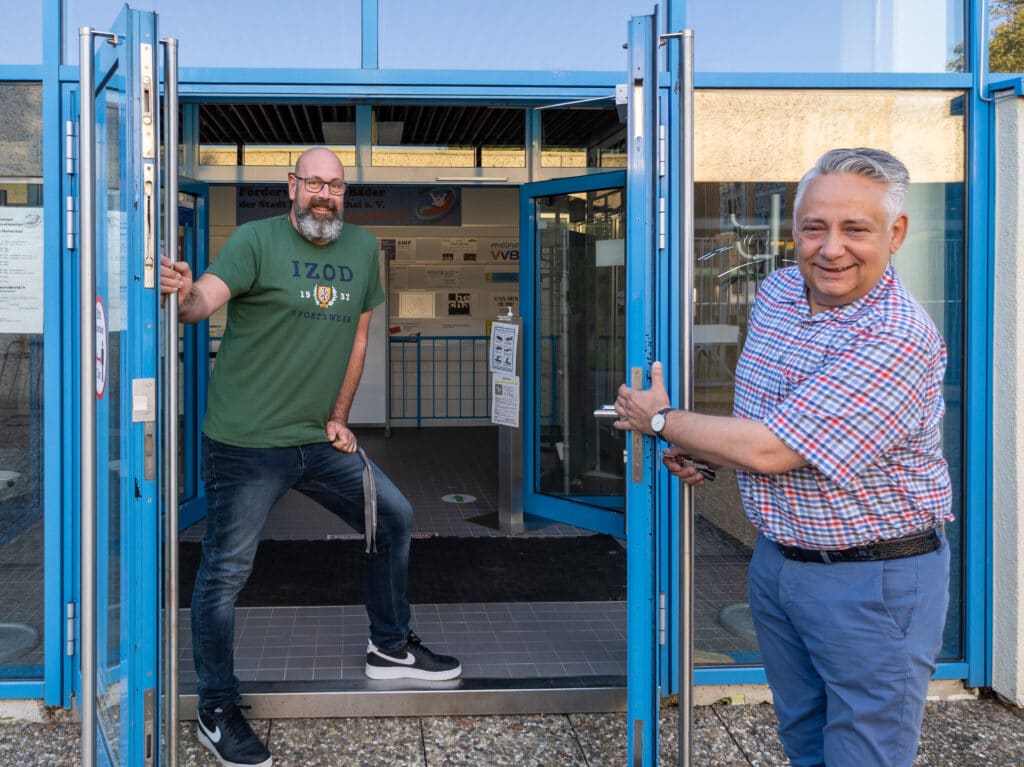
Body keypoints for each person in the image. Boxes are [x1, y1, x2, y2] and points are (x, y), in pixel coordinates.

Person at [612, 147, 952, 767]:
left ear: (896, 233)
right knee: (801, 734)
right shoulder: (777, 294)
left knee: (863, 751)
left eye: (856, 229)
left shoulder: (895, 337)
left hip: (873, 581)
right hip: (778, 565)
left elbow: (774, 449)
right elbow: (765, 422)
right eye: (815, 227)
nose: (831, 248)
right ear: (793, 228)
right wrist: (703, 450)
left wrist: (659, 420)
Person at [160, 147, 461, 767]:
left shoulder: (361, 249)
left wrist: (339, 416)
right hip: (244, 444)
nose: (325, 194)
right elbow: (200, 305)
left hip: (316, 441)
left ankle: (389, 646)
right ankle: (216, 708)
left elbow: (357, 337)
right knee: (225, 573)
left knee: (394, 515)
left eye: (337, 186)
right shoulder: (254, 242)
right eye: (314, 183)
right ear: (291, 185)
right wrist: (182, 292)